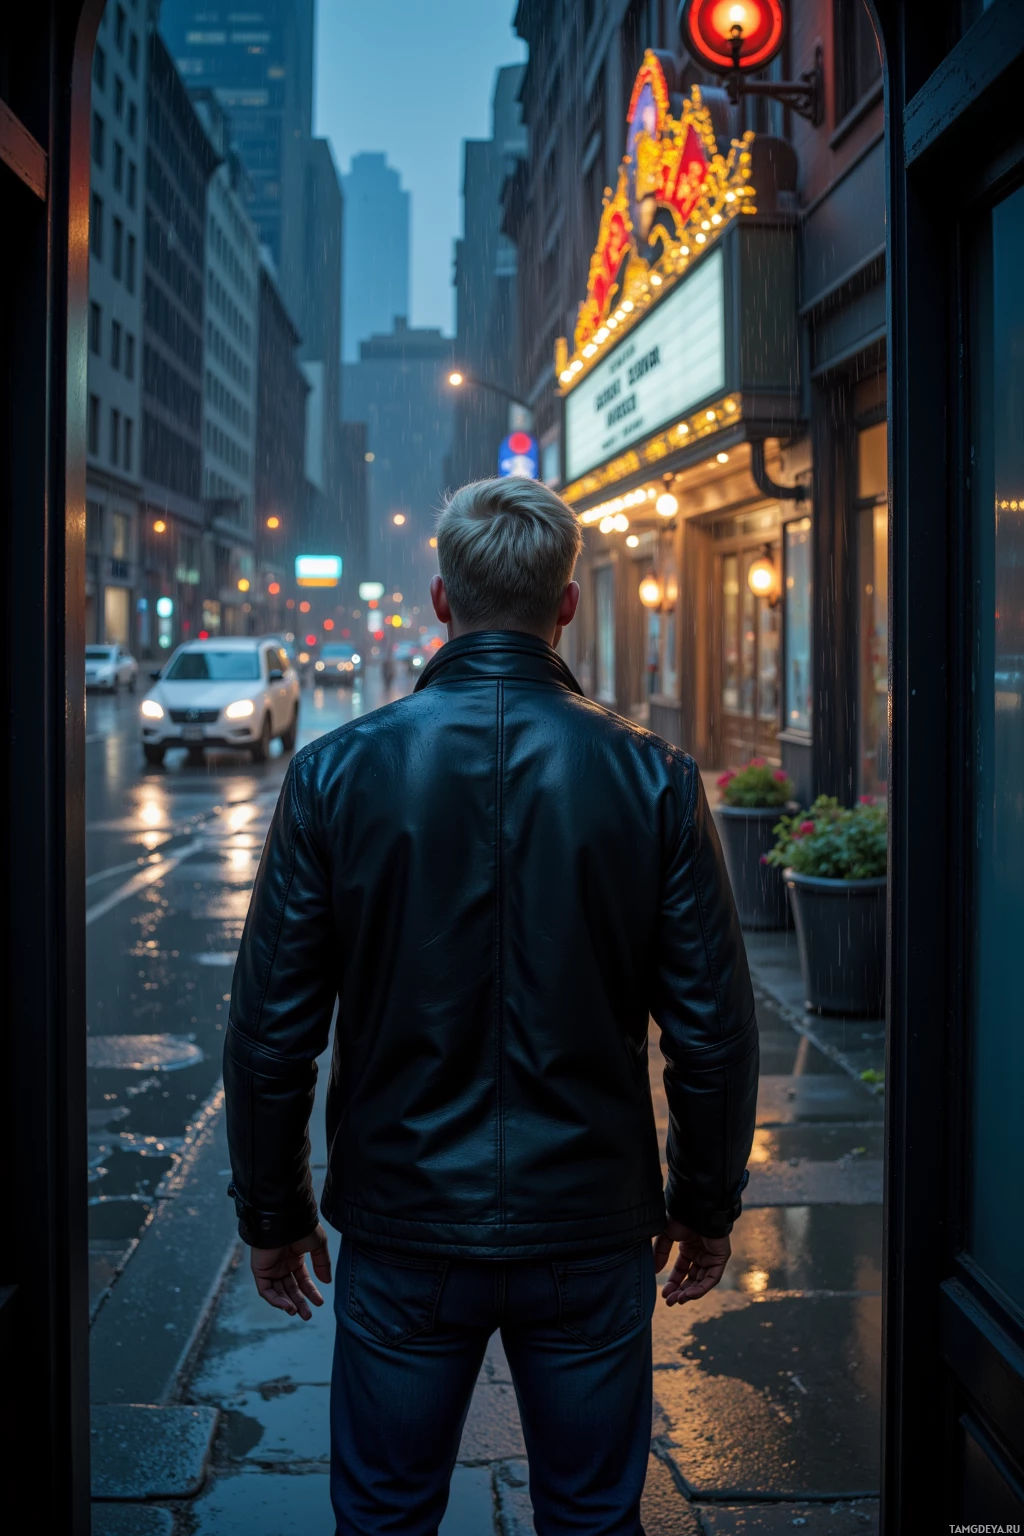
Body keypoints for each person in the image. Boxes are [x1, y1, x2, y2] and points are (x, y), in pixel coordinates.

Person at [224, 476, 758, 1536]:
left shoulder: (335, 773)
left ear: (438, 600)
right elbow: (711, 1029)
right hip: (588, 1224)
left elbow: (272, 1030)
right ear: (566, 605)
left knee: (384, 1514)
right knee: (594, 1516)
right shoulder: (653, 777)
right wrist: (705, 1202)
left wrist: (273, 1216)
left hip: (405, 1223)